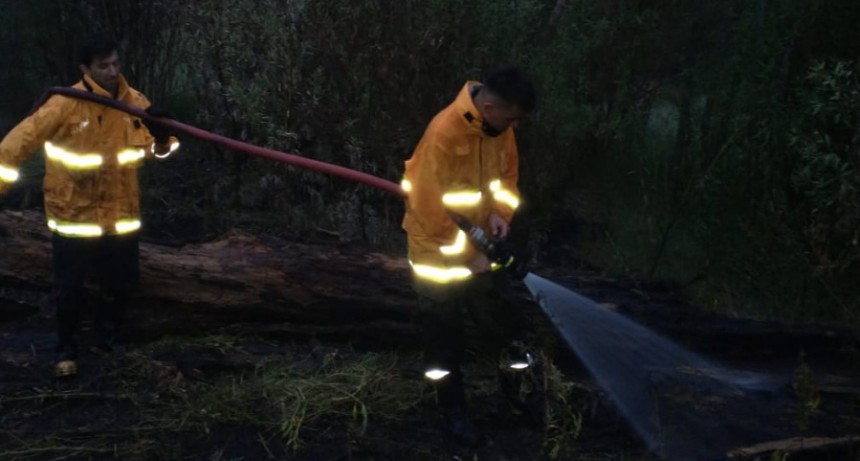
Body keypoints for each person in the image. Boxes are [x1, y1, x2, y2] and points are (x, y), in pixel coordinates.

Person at [0, 33, 179, 378]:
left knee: (122, 284)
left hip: (121, 219)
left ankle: (106, 339)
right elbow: (12, 148)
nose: (112, 71)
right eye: (103, 66)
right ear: (85, 68)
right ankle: (67, 349)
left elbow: (161, 152)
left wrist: (161, 135)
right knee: (69, 289)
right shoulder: (64, 104)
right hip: (74, 218)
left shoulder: (135, 103)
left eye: (115, 63)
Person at [400, 65, 537, 442]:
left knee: (504, 320)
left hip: (477, 242)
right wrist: (468, 258)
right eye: (512, 117)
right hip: (435, 251)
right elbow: (427, 207)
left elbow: (507, 178)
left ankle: (516, 391)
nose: (516, 126)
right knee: (443, 333)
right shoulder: (444, 132)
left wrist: (499, 213)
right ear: (490, 106)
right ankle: (450, 407)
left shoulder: (501, 129)